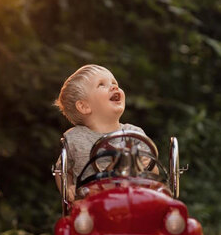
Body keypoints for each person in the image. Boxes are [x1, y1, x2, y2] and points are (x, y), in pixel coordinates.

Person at [53, 64, 157, 202]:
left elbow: (154, 174)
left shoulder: (134, 134)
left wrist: (146, 165)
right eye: (102, 85)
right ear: (84, 106)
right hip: (91, 206)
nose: (114, 87)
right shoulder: (75, 138)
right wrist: (69, 189)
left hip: (133, 201)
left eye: (114, 83)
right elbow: (63, 171)